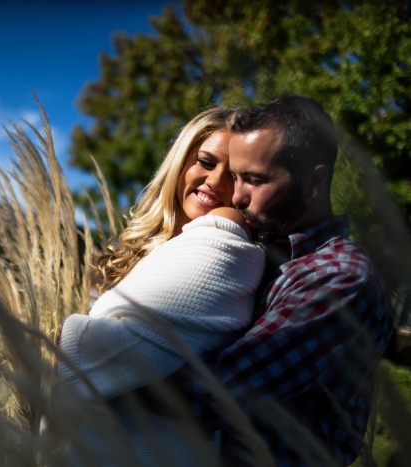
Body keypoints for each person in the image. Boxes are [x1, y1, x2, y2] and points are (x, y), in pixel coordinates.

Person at [175, 96, 394, 466]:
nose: (238, 195)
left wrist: (90, 369)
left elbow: (218, 391)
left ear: (314, 182)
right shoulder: (263, 252)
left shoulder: (340, 278)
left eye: (255, 180)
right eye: (235, 177)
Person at [53, 106, 266, 466]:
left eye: (233, 174)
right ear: (180, 162)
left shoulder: (228, 234)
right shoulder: (159, 247)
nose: (215, 182)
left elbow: (111, 350)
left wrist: (66, 337)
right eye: (205, 161)